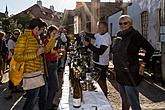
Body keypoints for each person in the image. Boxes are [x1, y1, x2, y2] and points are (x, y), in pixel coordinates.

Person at [112, 15, 155, 110]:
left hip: (130, 73)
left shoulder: (135, 35)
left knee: (133, 101)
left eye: (125, 23)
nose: (122, 25)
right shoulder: (119, 35)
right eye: (120, 23)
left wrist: (143, 64)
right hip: (120, 73)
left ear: (130, 23)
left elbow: (150, 49)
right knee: (124, 100)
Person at [13, 18, 53, 110]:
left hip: (40, 72)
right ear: (36, 28)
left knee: (43, 95)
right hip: (31, 73)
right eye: (42, 29)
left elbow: (45, 51)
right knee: (32, 100)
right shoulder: (24, 38)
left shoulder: (37, 38)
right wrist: (36, 53)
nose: (43, 32)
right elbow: (17, 56)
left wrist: (52, 40)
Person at [84, 21, 111, 97]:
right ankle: (99, 95)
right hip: (96, 61)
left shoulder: (106, 37)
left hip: (102, 63)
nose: (100, 29)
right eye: (99, 27)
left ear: (106, 28)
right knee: (97, 79)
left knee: (102, 81)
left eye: (102, 27)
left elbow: (100, 52)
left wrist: (89, 45)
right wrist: (85, 33)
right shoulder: (99, 34)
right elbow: (93, 36)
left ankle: (105, 97)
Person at [43, 25, 59, 110]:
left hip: (54, 63)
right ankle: (48, 105)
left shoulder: (53, 40)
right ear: (49, 32)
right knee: (54, 87)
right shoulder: (46, 41)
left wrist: (57, 53)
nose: (55, 34)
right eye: (54, 33)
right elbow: (47, 51)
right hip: (50, 65)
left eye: (56, 33)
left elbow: (52, 51)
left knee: (53, 87)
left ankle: (50, 103)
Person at [5, 29, 21, 99]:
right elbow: (13, 51)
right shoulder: (11, 41)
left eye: (18, 34)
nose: (16, 35)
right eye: (15, 34)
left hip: (17, 60)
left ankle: (15, 88)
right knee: (12, 76)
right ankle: (10, 92)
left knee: (16, 75)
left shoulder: (18, 40)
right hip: (12, 59)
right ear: (13, 34)